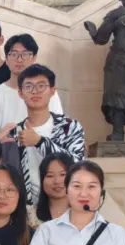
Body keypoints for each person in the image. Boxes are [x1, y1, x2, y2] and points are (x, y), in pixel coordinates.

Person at [11, 65, 86, 207]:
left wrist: (40, 142)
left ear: (52, 91)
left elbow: (77, 164)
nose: (35, 91)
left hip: (66, 205)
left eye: (41, 86)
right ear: (20, 93)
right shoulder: (15, 133)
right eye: (28, 86)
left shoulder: (69, 127)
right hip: (28, 209)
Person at [0, 34, 63, 130]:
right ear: (6, 59)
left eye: (25, 54)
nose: (19, 59)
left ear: (34, 58)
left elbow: (60, 128)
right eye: (14, 54)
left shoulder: (47, 92)